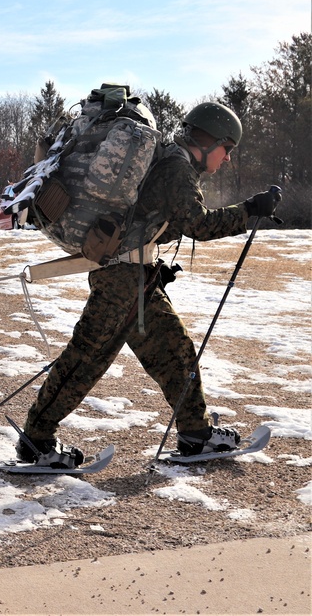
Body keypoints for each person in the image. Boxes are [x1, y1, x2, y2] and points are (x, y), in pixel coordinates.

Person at [18, 102, 283, 466]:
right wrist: (251, 210)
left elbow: (152, 220)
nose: (227, 160)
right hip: (122, 283)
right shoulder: (176, 168)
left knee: (175, 350)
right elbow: (199, 225)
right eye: (228, 150)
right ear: (211, 142)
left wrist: (151, 261)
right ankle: (36, 440)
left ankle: (196, 433)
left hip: (135, 277)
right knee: (86, 359)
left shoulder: (173, 163)